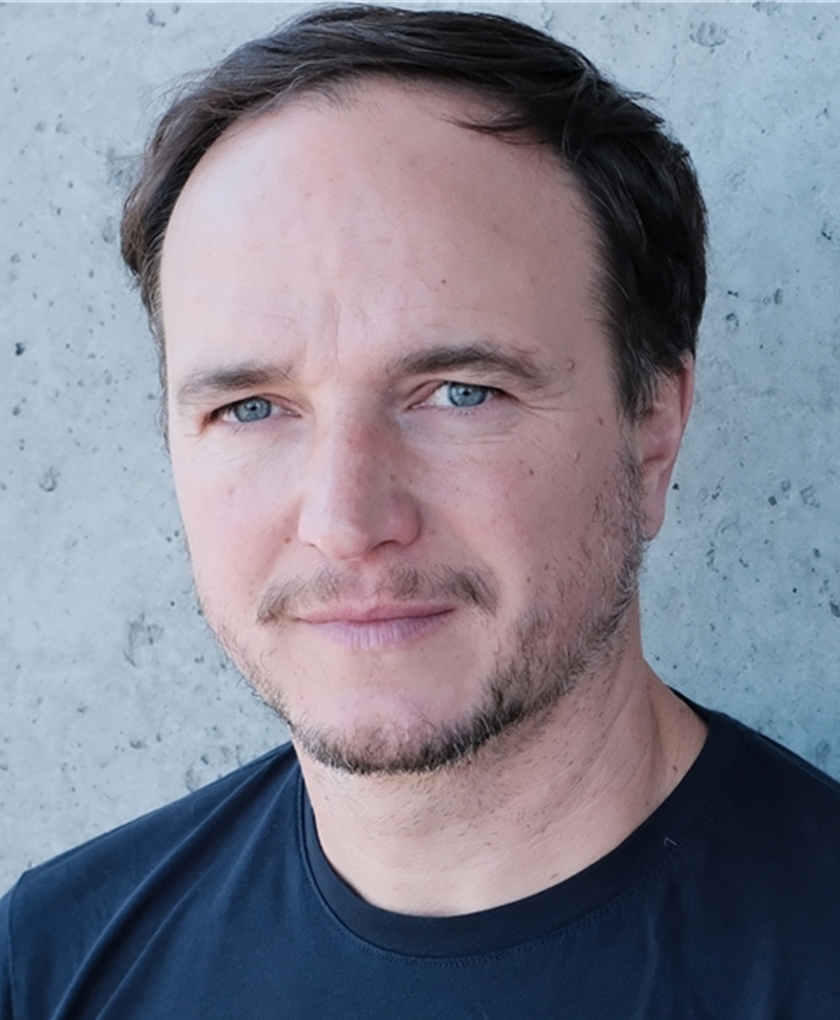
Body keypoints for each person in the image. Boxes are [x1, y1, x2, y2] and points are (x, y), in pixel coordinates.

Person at [2, 5, 839, 1017]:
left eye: (460, 392)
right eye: (252, 407)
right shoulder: (52, 965)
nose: (346, 520)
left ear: (652, 426)